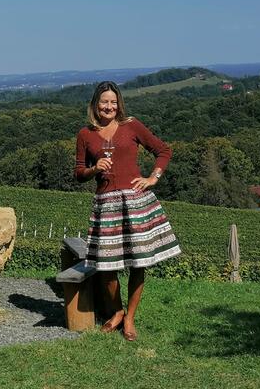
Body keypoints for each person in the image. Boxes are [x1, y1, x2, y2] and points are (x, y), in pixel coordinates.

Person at [74, 81, 181, 342]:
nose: (109, 107)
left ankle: (130, 317)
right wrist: (93, 168)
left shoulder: (131, 126)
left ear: (118, 104)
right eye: (104, 102)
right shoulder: (85, 134)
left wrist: (152, 178)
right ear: (95, 105)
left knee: (138, 263)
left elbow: (163, 151)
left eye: (113, 102)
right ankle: (117, 310)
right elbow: (79, 173)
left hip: (136, 202)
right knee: (107, 268)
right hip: (106, 205)